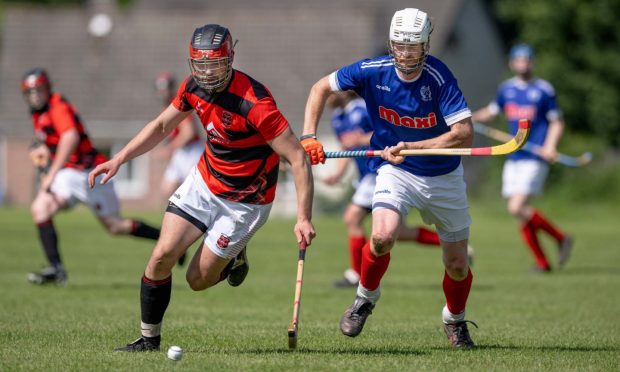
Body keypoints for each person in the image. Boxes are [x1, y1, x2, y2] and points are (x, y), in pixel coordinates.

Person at [88, 24, 315, 352]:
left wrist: (303, 217)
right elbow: (162, 125)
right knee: (161, 256)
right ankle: (149, 340)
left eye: (215, 64)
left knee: (197, 280)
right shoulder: (193, 87)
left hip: (245, 202)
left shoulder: (255, 102)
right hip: (204, 183)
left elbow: (297, 158)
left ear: (230, 58)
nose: (207, 73)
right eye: (201, 65)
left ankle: (235, 257)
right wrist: (120, 158)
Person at [302, 8, 477, 348]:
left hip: (443, 175)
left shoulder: (439, 77)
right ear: (390, 43)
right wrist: (309, 135)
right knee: (381, 236)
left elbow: (463, 133)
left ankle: (454, 320)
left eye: (413, 46)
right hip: (396, 171)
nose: (405, 53)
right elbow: (320, 87)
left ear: (426, 44)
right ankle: (365, 298)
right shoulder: (372, 70)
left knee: (457, 265)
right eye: (399, 45)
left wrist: (412, 145)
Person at [21, 68, 162, 286]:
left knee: (116, 227)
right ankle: (57, 270)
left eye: (39, 90)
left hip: (91, 174)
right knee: (41, 207)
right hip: (69, 175)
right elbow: (51, 142)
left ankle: (166, 241)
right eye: (30, 92)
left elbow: (70, 137)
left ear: (48, 88)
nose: (35, 95)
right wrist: (40, 150)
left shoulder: (58, 106)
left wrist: (50, 172)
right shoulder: (37, 113)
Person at [324, 91, 472, 289]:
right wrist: (338, 174)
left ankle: (356, 274)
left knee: (352, 218)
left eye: (330, 93)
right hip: (365, 176)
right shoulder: (337, 119)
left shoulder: (362, 108)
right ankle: (458, 247)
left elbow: (388, 132)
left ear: (343, 92)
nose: (328, 98)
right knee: (400, 233)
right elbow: (346, 149)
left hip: (379, 171)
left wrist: (360, 139)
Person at [472, 44, 573, 273]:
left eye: (527, 59)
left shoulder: (544, 90)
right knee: (520, 215)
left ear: (532, 62)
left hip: (535, 157)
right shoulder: (506, 89)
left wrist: (550, 146)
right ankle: (542, 263)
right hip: (513, 154)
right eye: (518, 59)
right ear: (511, 63)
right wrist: (467, 118)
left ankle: (561, 237)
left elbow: (557, 121)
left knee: (516, 206)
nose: (523, 63)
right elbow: (491, 111)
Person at [153, 72, 204, 200]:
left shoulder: (177, 105)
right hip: (181, 153)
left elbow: (188, 132)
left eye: (165, 89)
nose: (162, 93)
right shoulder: (165, 107)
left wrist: (170, 149)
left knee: (195, 193)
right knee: (167, 189)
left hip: (191, 151)